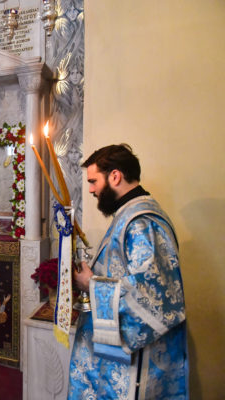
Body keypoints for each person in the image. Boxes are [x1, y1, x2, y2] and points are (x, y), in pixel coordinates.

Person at [69, 144, 188, 399]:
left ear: (115, 176)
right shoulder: (128, 215)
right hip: (116, 353)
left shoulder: (141, 222)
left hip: (136, 365)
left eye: (93, 181)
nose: (90, 189)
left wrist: (91, 284)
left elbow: (153, 296)